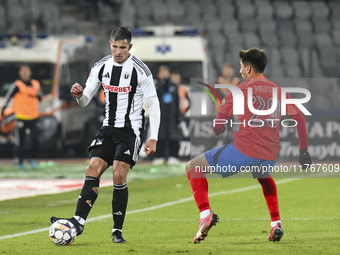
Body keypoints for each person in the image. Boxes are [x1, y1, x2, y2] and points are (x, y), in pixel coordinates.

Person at [186, 48, 312, 243]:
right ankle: (276, 223)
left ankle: (205, 214)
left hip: (243, 152)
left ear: (249, 68)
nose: (240, 71)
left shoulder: (239, 91)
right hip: (270, 155)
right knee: (263, 176)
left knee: (193, 166)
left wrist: (222, 116)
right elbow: (300, 118)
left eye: (241, 67)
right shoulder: (278, 90)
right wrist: (303, 151)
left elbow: (217, 129)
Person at [50, 27, 160, 243]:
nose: (117, 51)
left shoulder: (141, 70)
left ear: (129, 47)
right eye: (114, 47)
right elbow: (86, 99)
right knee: (92, 169)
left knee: (118, 174)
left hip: (130, 130)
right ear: (110, 44)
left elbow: (154, 105)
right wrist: (80, 95)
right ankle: (79, 221)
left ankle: (117, 230)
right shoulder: (101, 66)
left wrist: (153, 136)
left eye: (122, 48)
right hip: (108, 128)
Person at [1, 65, 42, 169]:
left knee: (36, 138)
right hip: (20, 116)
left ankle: (31, 158)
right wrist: (3, 112)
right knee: (21, 141)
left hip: (33, 116)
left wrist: (40, 96)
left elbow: (40, 97)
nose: (25, 73)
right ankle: (20, 162)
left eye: (26, 71)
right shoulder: (17, 85)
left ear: (30, 72)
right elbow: (7, 98)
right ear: (20, 73)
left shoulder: (36, 84)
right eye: (23, 71)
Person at [152, 66, 181, 165]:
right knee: (160, 136)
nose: (164, 74)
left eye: (166, 72)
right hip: (159, 116)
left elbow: (177, 102)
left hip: (172, 116)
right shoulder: (155, 86)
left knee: (173, 136)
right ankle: (158, 156)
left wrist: (178, 116)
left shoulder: (173, 86)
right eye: (162, 72)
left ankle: (173, 156)